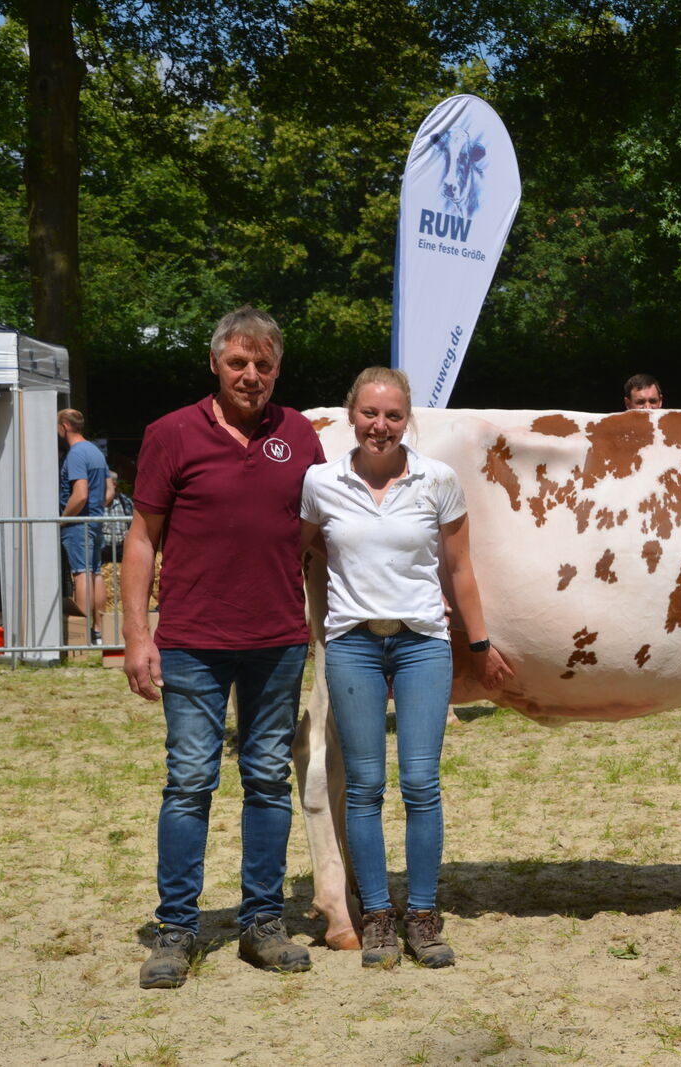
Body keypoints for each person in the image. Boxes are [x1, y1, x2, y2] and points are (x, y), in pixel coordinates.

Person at [122, 306, 325, 988]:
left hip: (276, 642)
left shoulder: (299, 434)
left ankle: (261, 923)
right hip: (191, 643)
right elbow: (142, 538)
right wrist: (135, 636)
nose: (251, 375)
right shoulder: (170, 434)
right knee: (189, 784)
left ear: (277, 370)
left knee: (268, 780)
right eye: (239, 362)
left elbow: (312, 532)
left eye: (264, 364)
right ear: (215, 363)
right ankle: (176, 930)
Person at [300, 367, 513, 969]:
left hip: (422, 644)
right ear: (352, 415)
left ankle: (422, 914)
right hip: (351, 647)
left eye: (393, 415)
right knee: (364, 788)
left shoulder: (437, 480)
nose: (381, 426)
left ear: (408, 419)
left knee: (422, 785)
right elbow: (293, 552)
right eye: (370, 413)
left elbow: (460, 569)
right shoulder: (321, 483)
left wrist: (479, 643)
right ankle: (376, 917)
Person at [57, 409, 109, 641]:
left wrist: (63, 519)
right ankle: (99, 629)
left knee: (81, 574)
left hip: (79, 523)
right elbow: (109, 491)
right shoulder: (95, 451)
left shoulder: (76, 454)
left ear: (65, 426)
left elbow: (80, 495)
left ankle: (83, 633)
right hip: (96, 520)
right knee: (95, 573)